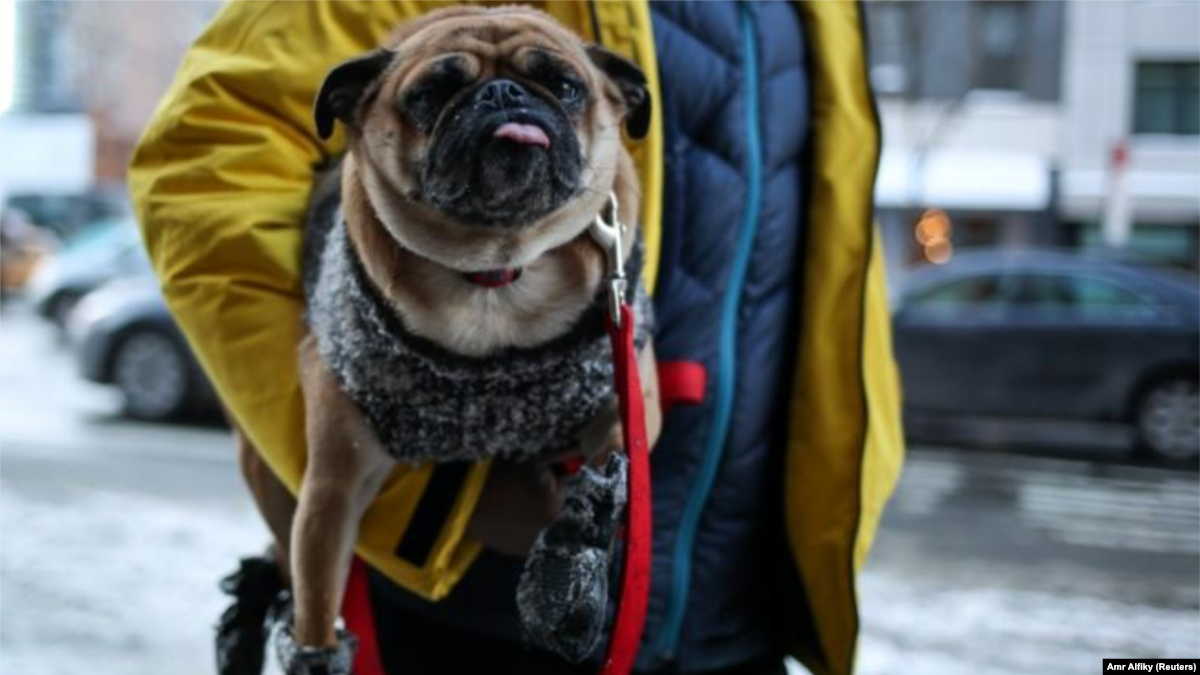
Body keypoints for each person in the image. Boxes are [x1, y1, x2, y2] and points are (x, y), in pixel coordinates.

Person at [128, 1, 904, 674]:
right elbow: (210, 165)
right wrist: (422, 493)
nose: (508, 102)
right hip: (464, 593)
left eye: (556, 88)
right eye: (444, 89)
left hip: (749, 580)